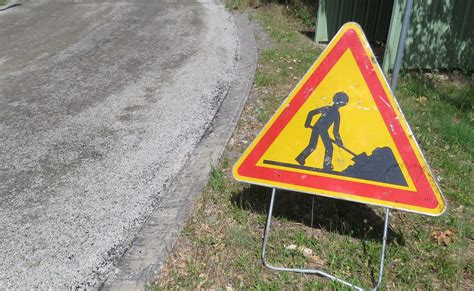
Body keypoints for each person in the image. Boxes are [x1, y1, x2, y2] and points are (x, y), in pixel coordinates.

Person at [295, 92, 349, 170]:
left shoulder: (331, 111)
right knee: (328, 148)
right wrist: (307, 123)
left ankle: (301, 158)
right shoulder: (332, 111)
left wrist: (339, 141)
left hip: (318, 128)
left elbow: (335, 130)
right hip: (321, 130)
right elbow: (311, 113)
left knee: (312, 145)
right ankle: (327, 165)